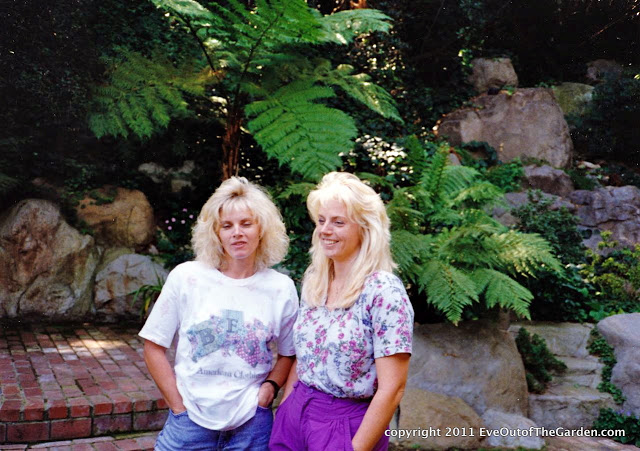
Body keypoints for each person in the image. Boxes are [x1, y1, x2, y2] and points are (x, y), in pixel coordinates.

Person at [139, 177, 298, 450]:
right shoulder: (187, 277)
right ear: (215, 232)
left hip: (251, 425)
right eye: (227, 225)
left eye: (246, 223)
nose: (237, 232)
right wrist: (178, 407)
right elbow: (153, 347)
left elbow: (290, 353)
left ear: (262, 229)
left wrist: (270, 388)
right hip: (189, 423)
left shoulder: (280, 288)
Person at [270, 172, 414, 451]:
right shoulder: (316, 281)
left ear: (365, 229)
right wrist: (287, 409)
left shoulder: (383, 291)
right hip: (296, 414)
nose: (325, 230)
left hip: (345, 423)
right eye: (321, 221)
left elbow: (392, 388)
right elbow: (303, 356)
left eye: (338, 222)